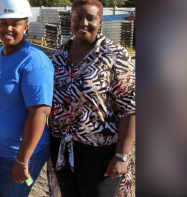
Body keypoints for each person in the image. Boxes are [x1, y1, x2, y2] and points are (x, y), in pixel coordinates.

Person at [48, 0, 136, 197]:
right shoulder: (59, 54)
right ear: (71, 19)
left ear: (100, 20)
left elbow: (130, 108)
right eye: (78, 17)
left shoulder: (115, 55)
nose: (83, 23)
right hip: (62, 148)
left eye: (90, 18)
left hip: (100, 152)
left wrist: (121, 156)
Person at [0, 0, 54, 196]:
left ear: (26, 27)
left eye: (15, 23)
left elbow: (40, 113)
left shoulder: (34, 62)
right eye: (3, 22)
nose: (7, 28)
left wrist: (22, 160)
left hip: (14, 154)